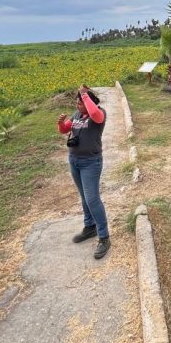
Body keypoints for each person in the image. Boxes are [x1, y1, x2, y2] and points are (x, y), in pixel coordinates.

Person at [57, 85, 110, 259]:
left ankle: (104, 237)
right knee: (84, 197)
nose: (77, 106)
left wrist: (84, 94)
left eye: (80, 103)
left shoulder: (98, 114)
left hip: (91, 162)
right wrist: (61, 122)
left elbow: (94, 114)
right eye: (77, 103)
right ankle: (89, 227)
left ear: (88, 102)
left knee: (92, 199)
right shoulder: (77, 115)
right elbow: (65, 129)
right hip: (75, 161)